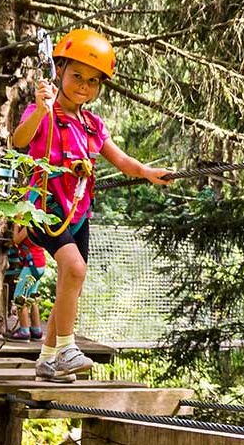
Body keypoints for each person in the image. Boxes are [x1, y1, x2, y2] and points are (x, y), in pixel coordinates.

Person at [11, 29, 172, 382]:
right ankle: (67, 348)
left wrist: (147, 172)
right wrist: (39, 109)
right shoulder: (45, 112)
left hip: (77, 210)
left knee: (72, 280)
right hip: (45, 205)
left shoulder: (93, 125)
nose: (84, 86)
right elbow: (18, 140)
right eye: (77, 76)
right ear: (60, 71)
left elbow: (121, 159)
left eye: (93, 81)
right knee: (76, 269)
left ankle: (49, 359)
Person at [4, 223, 45, 342]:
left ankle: (24, 331)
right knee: (31, 298)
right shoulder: (37, 223)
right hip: (39, 263)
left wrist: (16, 224)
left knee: (19, 297)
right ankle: (36, 330)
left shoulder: (29, 225)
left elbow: (16, 239)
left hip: (32, 264)